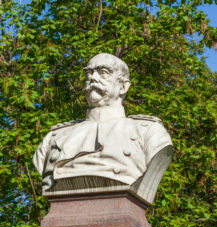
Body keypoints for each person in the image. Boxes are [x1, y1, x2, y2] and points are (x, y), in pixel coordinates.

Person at [33, 53, 173, 204]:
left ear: (123, 86)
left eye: (103, 73)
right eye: (88, 73)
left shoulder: (149, 131)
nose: (93, 78)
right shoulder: (55, 136)